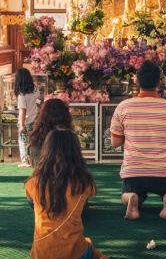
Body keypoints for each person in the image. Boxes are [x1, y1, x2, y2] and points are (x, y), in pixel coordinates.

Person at [110, 60, 166, 220]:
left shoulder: (123, 107)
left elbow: (115, 143)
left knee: (126, 194)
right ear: (159, 83)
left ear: (136, 81)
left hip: (133, 173)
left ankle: (132, 199)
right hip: (164, 173)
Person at [25, 128, 108, 259]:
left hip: (41, 253)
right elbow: (90, 193)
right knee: (87, 245)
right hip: (75, 252)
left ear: (46, 152)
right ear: (76, 153)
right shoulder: (84, 183)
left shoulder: (32, 183)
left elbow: (30, 202)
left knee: (32, 202)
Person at [27, 98, 74, 168]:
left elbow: (33, 165)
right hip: (64, 177)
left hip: (40, 177)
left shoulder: (34, 140)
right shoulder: (71, 139)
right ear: (66, 116)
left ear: (41, 116)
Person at [15, 67, 41, 168]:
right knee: (33, 140)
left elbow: (22, 110)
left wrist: (21, 125)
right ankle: (34, 159)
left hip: (26, 122)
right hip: (35, 119)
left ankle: (26, 161)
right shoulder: (35, 90)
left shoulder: (22, 95)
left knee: (23, 141)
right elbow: (37, 101)